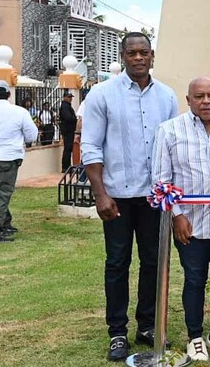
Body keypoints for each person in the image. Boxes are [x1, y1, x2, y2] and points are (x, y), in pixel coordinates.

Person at [82, 32, 179, 362]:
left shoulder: (166, 97)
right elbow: (91, 146)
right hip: (118, 198)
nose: (138, 58)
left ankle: (148, 325)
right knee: (117, 263)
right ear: (123, 56)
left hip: (154, 198)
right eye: (132, 53)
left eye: (144, 52)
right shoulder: (102, 94)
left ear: (153, 55)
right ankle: (118, 332)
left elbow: (171, 146)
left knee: (154, 262)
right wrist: (101, 194)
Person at [152, 77, 210, 362]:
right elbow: (160, 180)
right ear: (189, 99)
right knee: (194, 279)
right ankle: (195, 337)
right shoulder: (169, 131)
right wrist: (177, 216)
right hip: (189, 222)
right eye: (199, 96)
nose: (206, 101)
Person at [0, 80, 38, 243]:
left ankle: (5, 223)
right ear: (8, 94)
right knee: (1, 193)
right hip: (7, 157)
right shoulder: (19, 112)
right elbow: (31, 136)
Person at [59, 90, 77, 171]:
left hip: (69, 129)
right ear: (65, 97)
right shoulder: (65, 106)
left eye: (71, 97)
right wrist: (74, 119)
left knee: (69, 148)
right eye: (69, 97)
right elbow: (68, 118)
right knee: (67, 148)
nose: (70, 99)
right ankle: (66, 167)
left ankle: (68, 166)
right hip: (67, 130)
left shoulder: (67, 106)